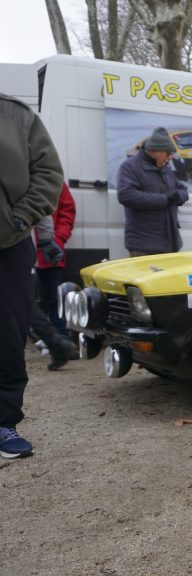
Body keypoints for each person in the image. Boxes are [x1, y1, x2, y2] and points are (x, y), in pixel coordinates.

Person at [0, 92, 64, 459]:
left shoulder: (16, 115)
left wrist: (20, 218)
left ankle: (3, 422)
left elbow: (48, 172)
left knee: (8, 336)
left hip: (8, 244)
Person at [117, 127, 189, 257]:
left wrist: (179, 196)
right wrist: (165, 199)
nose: (170, 157)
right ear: (154, 151)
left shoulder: (165, 168)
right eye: (168, 153)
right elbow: (126, 195)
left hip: (170, 244)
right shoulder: (130, 167)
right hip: (144, 246)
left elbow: (182, 189)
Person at [35, 183, 76, 336]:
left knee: (55, 298)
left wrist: (58, 239)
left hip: (49, 252)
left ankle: (60, 337)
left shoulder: (53, 180)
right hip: (23, 252)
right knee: (27, 301)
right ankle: (48, 337)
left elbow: (67, 210)